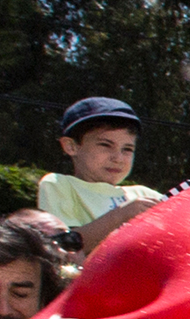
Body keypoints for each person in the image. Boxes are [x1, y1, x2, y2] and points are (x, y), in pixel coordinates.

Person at [38, 97, 161, 254]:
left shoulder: (144, 194)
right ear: (71, 146)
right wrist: (120, 216)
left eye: (127, 149)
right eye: (105, 145)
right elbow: (62, 248)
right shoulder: (59, 184)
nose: (118, 158)